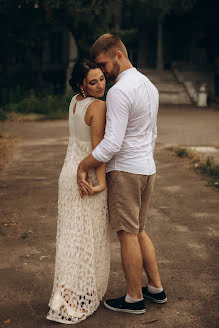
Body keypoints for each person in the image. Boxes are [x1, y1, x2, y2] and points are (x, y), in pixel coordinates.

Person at [77, 34, 167, 315]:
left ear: (117, 55)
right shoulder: (148, 85)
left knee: (127, 234)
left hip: (127, 170)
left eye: (103, 64)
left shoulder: (118, 91)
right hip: (146, 168)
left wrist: (85, 164)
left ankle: (134, 298)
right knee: (139, 230)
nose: (102, 71)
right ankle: (156, 288)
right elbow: (152, 133)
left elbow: (112, 143)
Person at [47, 59, 111, 324]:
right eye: (92, 82)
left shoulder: (74, 102)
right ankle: (73, 296)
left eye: (102, 79)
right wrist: (103, 182)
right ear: (81, 85)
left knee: (71, 237)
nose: (100, 86)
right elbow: (98, 150)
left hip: (68, 173)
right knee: (87, 237)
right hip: (86, 176)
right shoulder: (98, 106)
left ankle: (67, 292)